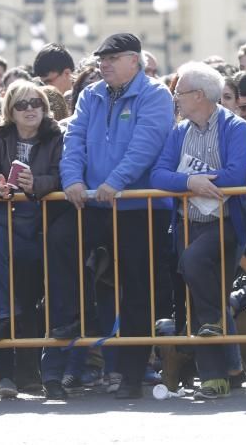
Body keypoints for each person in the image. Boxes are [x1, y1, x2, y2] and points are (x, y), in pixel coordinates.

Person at [57, 33, 174, 399]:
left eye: (113, 58)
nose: (103, 64)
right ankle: (76, 318)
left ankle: (132, 374)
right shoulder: (91, 95)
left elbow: (146, 145)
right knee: (60, 240)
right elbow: (73, 139)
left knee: (138, 289)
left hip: (137, 207)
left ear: (134, 61)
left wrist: (115, 181)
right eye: (101, 59)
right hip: (93, 204)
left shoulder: (155, 95)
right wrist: (73, 180)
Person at [151, 62, 246, 400]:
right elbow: (159, 175)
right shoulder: (178, 132)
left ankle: (220, 356)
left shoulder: (235, 127)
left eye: (179, 92)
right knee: (202, 302)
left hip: (225, 225)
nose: (175, 98)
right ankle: (217, 377)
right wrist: (189, 182)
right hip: (188, 224)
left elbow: (238, 174)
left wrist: (204, 182)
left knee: (194, 265)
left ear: (198, 95)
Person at [0, 80, 68, 399]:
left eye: (36, 103)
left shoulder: (57, 136)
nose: (30, 109)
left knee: (34, 298)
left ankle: (38, 374)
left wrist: (36, 184)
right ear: (10, 111)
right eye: (22, 105)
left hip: (43, 224)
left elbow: (63, 175)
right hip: (6, 221)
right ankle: (4, 317)